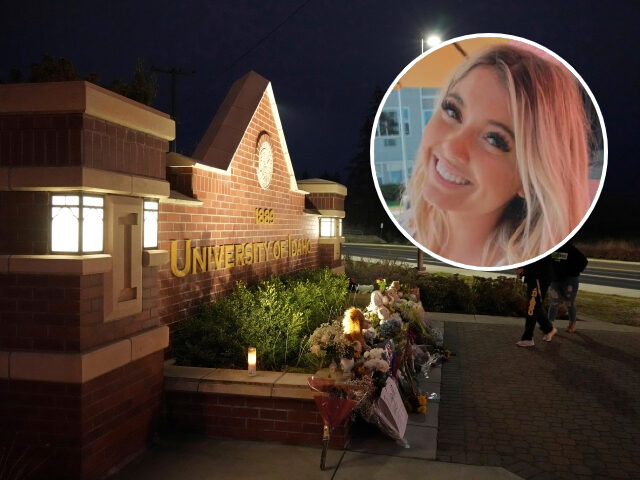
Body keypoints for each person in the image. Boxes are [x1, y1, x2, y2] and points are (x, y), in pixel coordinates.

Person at [405, 44, 592, 267]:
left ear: (530, 180)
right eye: (453, 111)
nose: (453, 148)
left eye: (494, 139)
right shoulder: (406, 229)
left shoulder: (531, 273)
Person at [516, 256, 557, 347]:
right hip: (535, 278)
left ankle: (528, 338)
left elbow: (540, 263)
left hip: (539, 279)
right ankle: (548, 329)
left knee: (532, 307)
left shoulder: (541, 247)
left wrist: (524, 270)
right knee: (534, 307)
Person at [548, 242, 588, 333]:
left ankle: (572, 324)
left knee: (569, 303)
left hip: (569, 281)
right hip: (555, 281)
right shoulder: (552, 248)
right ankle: (549, 325)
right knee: (554, 303)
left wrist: (573, 272)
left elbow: (584, 262)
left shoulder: (571, 250)